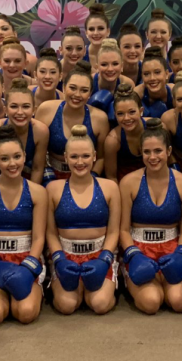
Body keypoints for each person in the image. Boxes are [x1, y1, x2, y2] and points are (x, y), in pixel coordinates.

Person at [0, 125, 48, 325]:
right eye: (5, 159)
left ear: (24, 156)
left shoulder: (38, 192)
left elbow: (40, 236)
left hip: (24, 258)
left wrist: (30, 264)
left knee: (26, 313)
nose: (12, 163)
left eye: (16, 157)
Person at [119, 119, 182, 314]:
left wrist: (181, 253)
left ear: (168, 151)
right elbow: (123, 229)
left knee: (179, 302)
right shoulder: (128, 182)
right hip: (139, 248)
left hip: (172, 247)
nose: (153, 157)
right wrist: (133, 255)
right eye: (147, 152)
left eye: (158, 151)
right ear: (140, 153)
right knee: (151, 303)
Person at [46, 125, 121, 315]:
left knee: (99, 304)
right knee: (66, 305)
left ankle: (111, 285)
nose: (80, 162)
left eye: (86, 156)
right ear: (65, 157)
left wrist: (105, 258)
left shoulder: (110, 187)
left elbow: (113, 231)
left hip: (99, 253)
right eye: (74, 157)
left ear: (95, 156)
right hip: (66, 254)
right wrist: (59, 258)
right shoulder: (52, 189)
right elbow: (50, 232)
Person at [35, 61, 109, 179]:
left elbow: (101, 158)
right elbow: (37, 152)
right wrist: (47, 176)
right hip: (52, 172)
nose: (77, 94)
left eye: (84, 90)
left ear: (90, 93)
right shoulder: (46, 109)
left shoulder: (100, 118)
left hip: (87, 174)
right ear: (64, 87)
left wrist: (92, 177)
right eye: (72, 88)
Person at [0, 79, 49, 185]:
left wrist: (29, 193)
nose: (20, 112)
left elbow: (37, 169)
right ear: (6, 110)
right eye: (14, 106)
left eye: (26, 106)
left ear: (34, 110)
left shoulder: (40, 131)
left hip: (26, 177)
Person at [104, 84, 146, 181]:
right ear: (115, 115)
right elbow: (111, 177)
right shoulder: (113, 141)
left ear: (141, 111)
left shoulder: (154, 128)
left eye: (132, 112)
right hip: (125, 185)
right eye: (120, 114)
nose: (126, 118)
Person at [133, 47, 172, 119]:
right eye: (146, 74)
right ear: (142, 76)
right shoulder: (136, 95)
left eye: (157, 72)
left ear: (166, 74)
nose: (152, 78)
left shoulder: (175, 92)